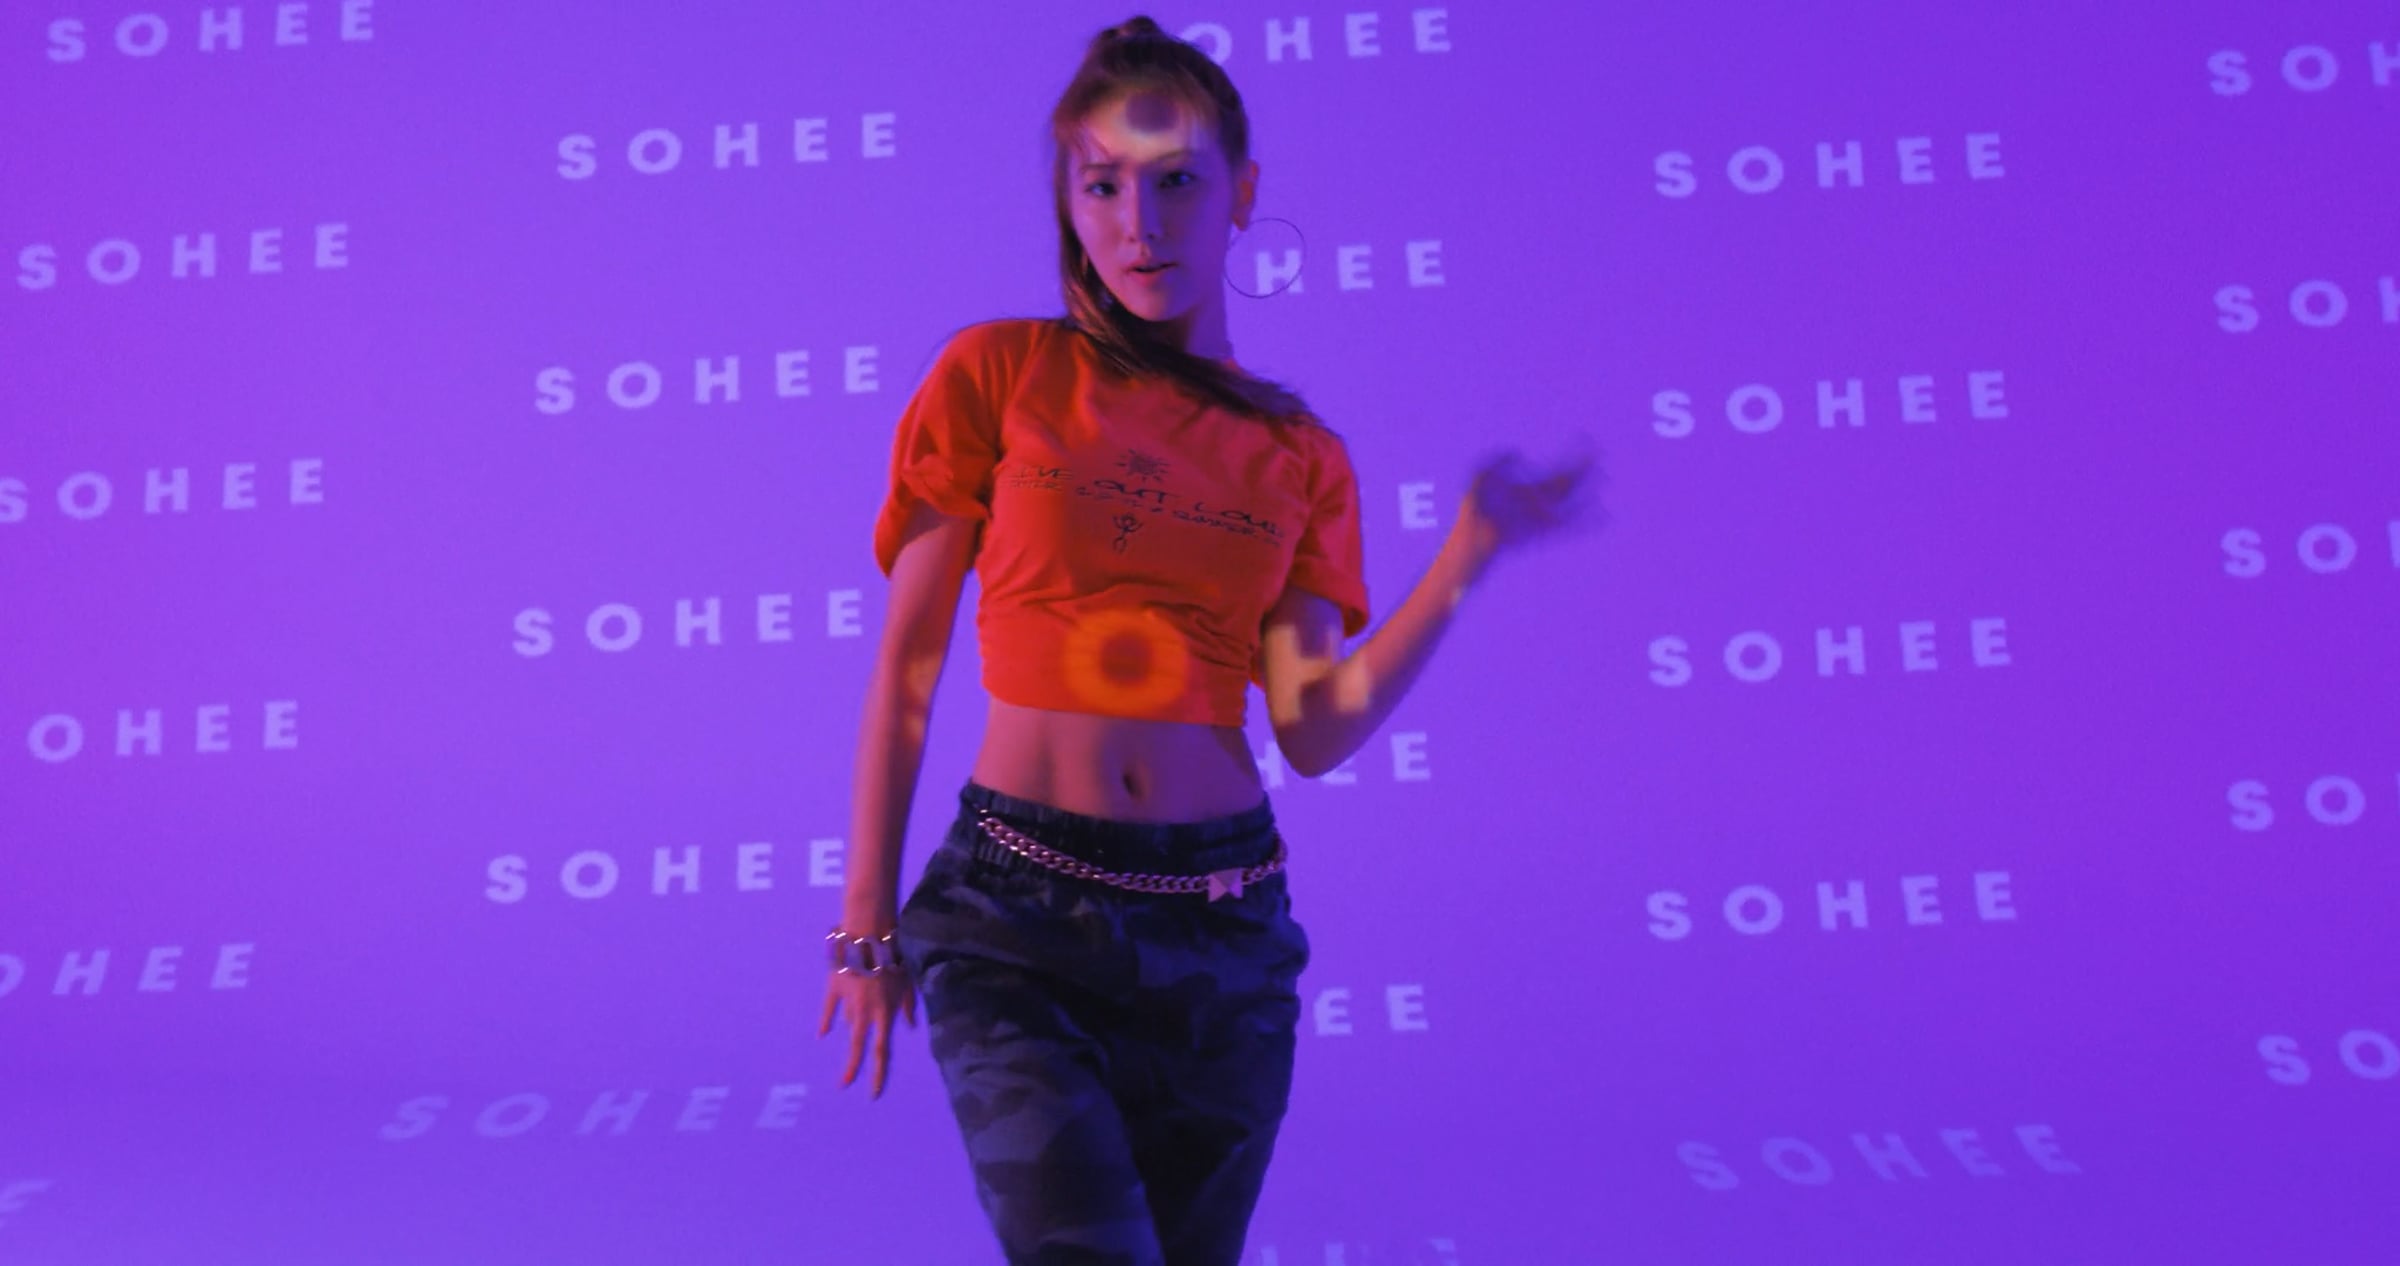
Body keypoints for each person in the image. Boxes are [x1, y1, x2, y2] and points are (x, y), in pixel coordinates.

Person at [817, 15, 1597, 1265]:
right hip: (1017, 920)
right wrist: (865, 924)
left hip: (1224, 938)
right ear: (1069, 202)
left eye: (1177, 181)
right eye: (1103, 186)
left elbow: (1315, 728)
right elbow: (908, 662)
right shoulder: (998, 374)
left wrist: (1470, 549)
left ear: (1241, 191)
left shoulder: (1299, 455)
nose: (1142, 223)